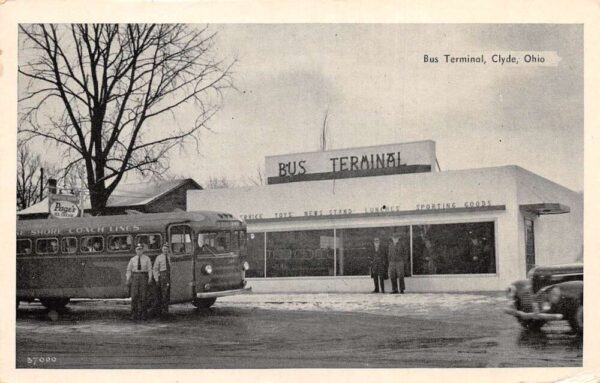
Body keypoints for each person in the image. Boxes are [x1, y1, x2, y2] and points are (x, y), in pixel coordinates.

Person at [126, 244, 153, 320]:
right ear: (135, 250)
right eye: (138, 249)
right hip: (135, 277)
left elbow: (150, 269)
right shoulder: (133, 259)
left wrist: (150, 278)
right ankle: (133, 314)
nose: (139, 251)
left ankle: (143, 315)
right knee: (134, 296)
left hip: (143, 276)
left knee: (143, 296)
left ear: (143, 250)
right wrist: (128, 279)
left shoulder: (147, 259)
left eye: (141, 249)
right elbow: (128, 270)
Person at [153, 243, 172, 317]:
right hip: (162, 275)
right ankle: (162, 311)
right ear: (162, 250)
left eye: (167, 249)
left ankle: (166, 310)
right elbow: (155, 269)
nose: (165, 250)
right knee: (162, 294)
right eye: (164, 249)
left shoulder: (170, 257)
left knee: (167, 293)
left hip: (169, 275)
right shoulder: (159, 258)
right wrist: (157, 279)